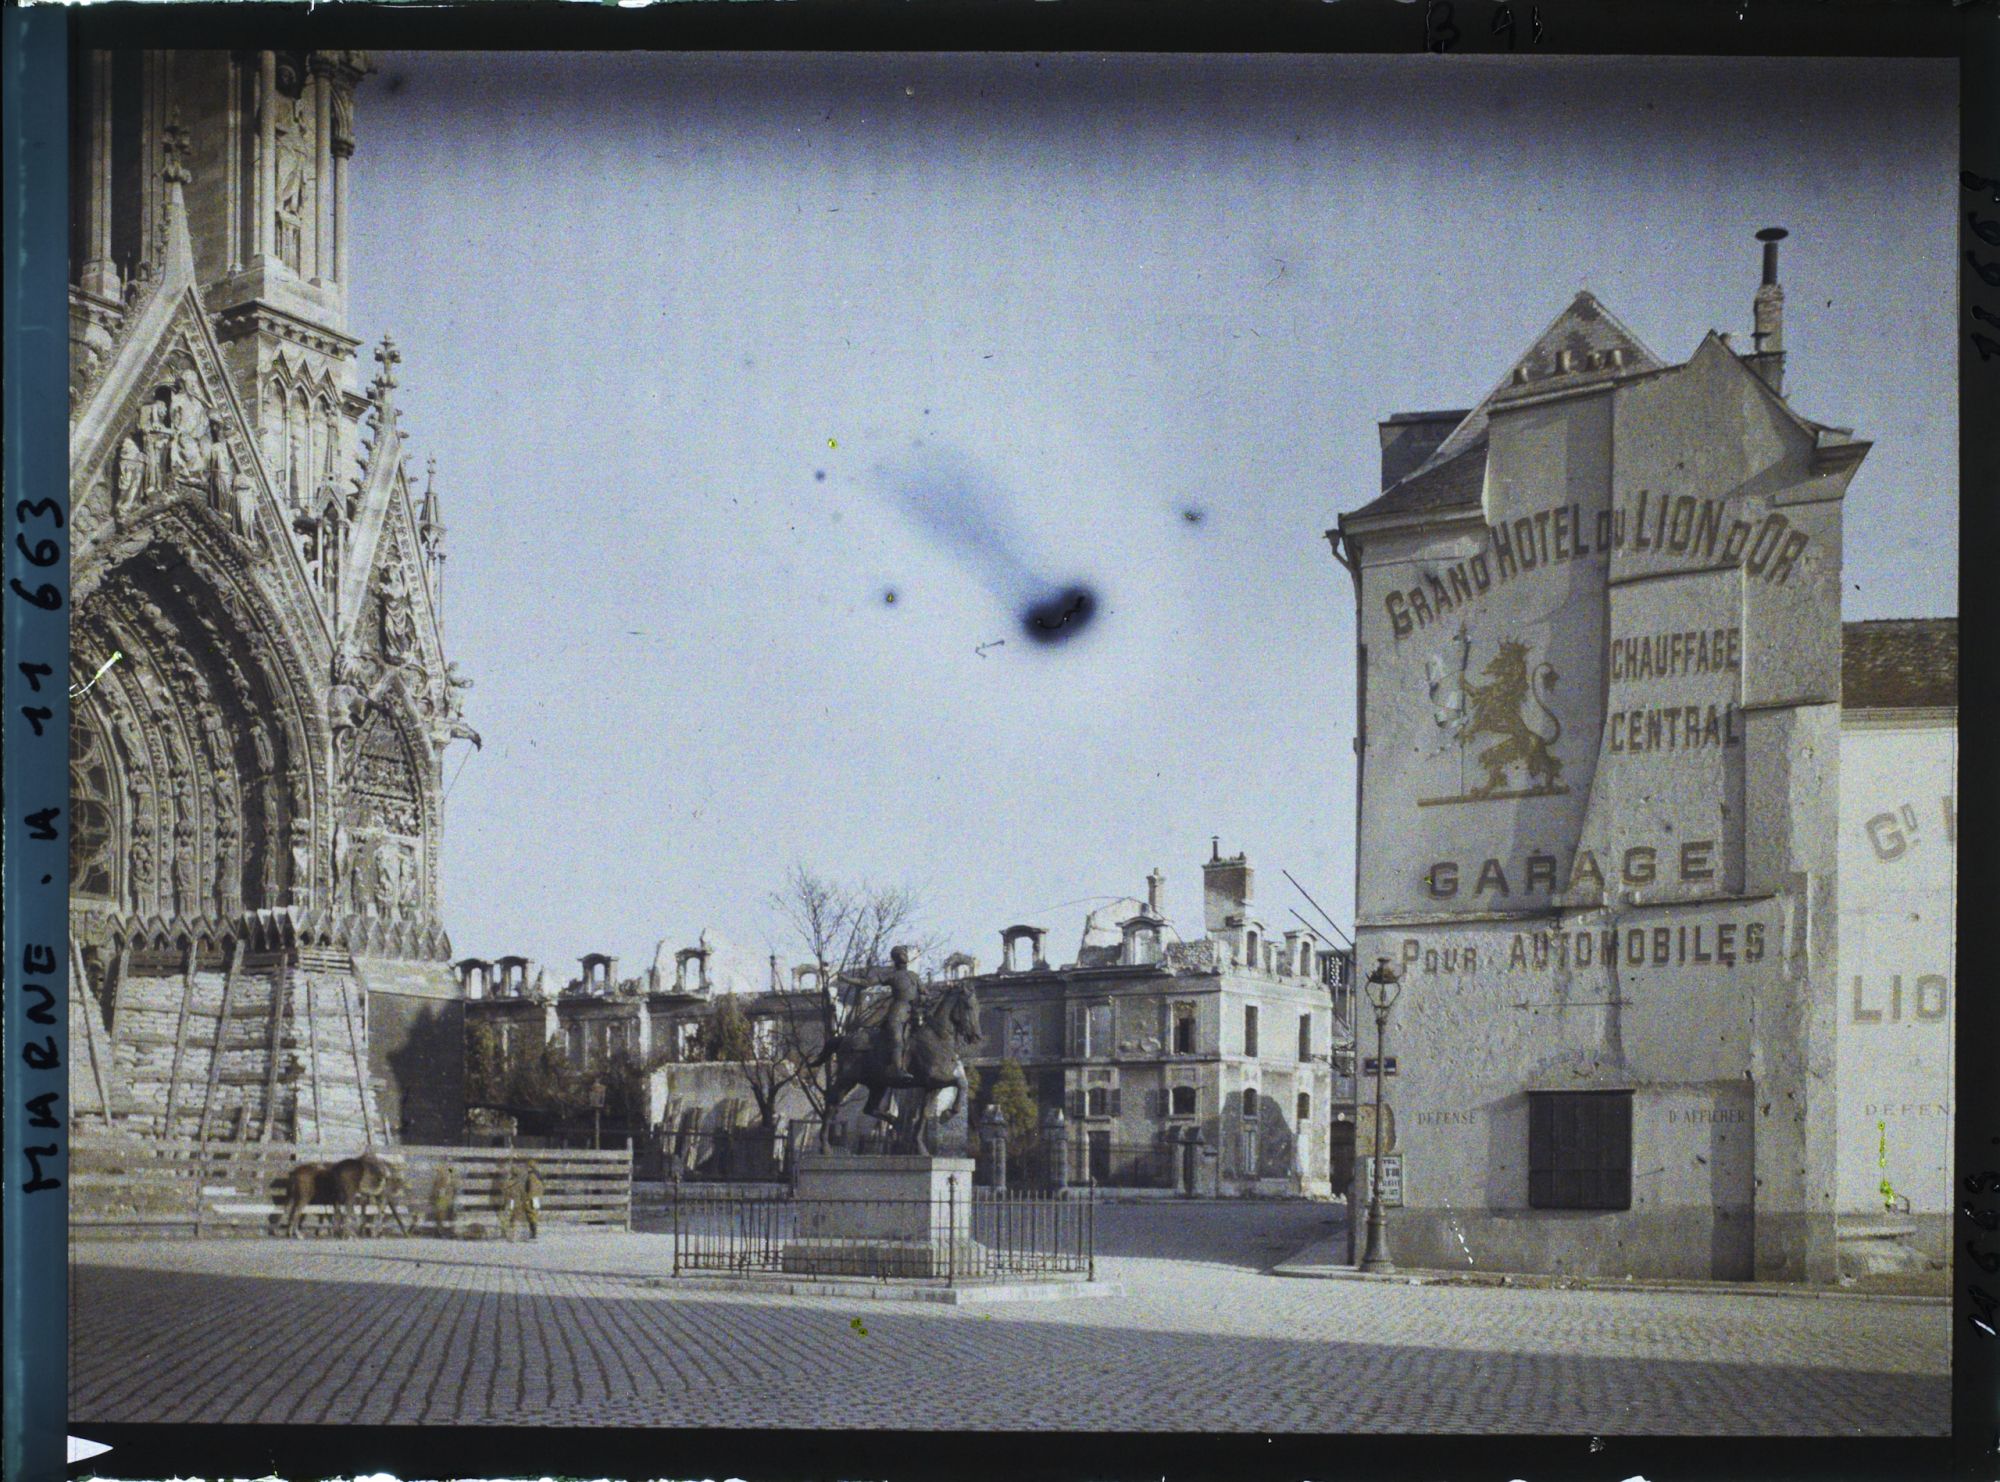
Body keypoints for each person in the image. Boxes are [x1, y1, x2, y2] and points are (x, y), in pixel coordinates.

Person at [842, 945, 924, 1076]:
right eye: (900, 955)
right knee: (898, 1039)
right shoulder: (891, 976)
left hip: (915, 1012)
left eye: (904, 954)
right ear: (895, 960)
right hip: (898, 1013)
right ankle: (897, 1069)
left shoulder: (914, 976)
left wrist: (922, 1002)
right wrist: (847, 979)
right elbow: (867, 983)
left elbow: (924, 992)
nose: (904, 957)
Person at [427, 1163, 459, 1238]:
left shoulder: (450, 1172)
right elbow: (437, 1188)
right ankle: (440, 1230)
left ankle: (444, 1230)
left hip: (447, 1196)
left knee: (445, 1206)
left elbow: (452, 1178)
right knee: (441, 1206)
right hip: (442, 1196)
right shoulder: (440, 1176)